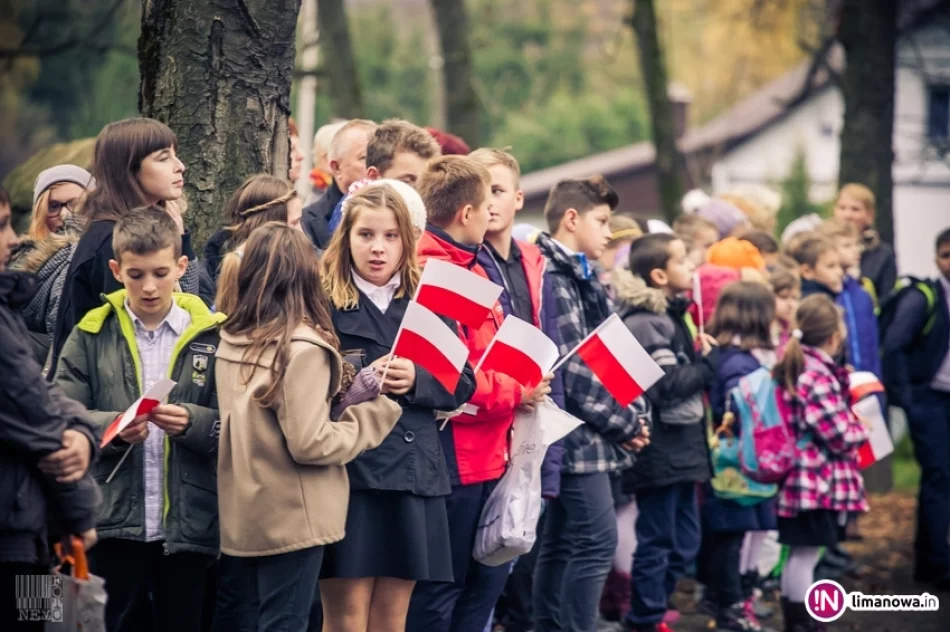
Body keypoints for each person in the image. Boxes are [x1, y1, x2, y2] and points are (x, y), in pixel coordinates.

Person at [215, 222, 402, 632]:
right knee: (286, 623)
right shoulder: (303, 349)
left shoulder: (230, 339)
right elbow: (311, 442)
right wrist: (374, 415)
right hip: (295, 515)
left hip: (243, 510)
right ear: (306, 276)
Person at [51, 207, 222, 632]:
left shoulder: (212, 335)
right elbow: (58, 414)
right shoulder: (92, 332)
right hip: (111, 520)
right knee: (97, 623)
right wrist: (113, 426)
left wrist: (194, 422)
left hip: (189, 524)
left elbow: (238, 422)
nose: (149, 287)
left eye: (161, 273)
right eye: (136, 274)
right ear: (116, 269)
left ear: (182, 266)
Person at [318, 184, 475, 632]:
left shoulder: (427, 299)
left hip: (413, 472)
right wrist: (362, 377)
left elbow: (463, 382)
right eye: (366, 234)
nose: (378, 248)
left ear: (407, 241)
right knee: (346, 616)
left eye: (390, 236)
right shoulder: (322, 300)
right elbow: (303, 383)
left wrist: (417, 381)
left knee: (392, 616)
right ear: (346, 236)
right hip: (350, 471)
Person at [407, 156, 552, 632]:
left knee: (477, 589)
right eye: (486, 197)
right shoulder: (438, 269)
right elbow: (454, 378)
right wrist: (520, 388)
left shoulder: (464, 264)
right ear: (466, 212)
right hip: (460, 454)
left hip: (486, 449)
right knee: (445, 591)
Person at [531, 176, 649, 632]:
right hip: (578, 435)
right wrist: (625, 424)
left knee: (563, 543)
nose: (608, 232)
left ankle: (553, 625)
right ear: (571, 218)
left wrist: (635, 415)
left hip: (590, 430)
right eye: (601, 221)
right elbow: (574, 369)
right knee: (596, 541)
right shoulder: (556, 276)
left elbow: (608, 354)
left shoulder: (580, 273)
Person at [468, 148, 567, 632]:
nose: (489, 202)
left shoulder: (532, 260)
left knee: (513, 554)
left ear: (518, 199)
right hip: (484, 419)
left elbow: (550, 346)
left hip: (528, 425)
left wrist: (551, 461)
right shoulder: (468, 261)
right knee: (476, 565)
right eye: (480, 191)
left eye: (499, 191)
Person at [1, 199, 101, 632]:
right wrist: (81, 514)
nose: (14, 239)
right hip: (15, 541)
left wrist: (80, 431)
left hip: (31, 528)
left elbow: (45, 394)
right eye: (3, 226)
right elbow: (39, 419)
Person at [614, 233, 717, 632]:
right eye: (682, 261)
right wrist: (711, 365)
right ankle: (645, 618)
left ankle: (652, 608)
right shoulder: (646, 322)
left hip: (685, 449)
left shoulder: (675, 315)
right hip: (659, 449)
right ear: (659, 275)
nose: (691, 268)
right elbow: (665, 386)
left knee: (686, 541)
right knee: (657, 540)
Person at [50, 118, 200, 377]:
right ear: (129, 170)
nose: (180, 167)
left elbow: (190, 307)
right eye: (163, 158)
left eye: (176, 156)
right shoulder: (109, 241)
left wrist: (180, 239)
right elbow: (130, 343)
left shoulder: (150, 231)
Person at [773, 294, 868, 631]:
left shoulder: (799, 366)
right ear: (834, 337)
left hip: (801, 482)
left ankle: (795, 617)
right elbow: (838, 433)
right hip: (813, 484)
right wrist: (861, 428)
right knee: (805, 555)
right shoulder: (816, 375)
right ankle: (803, 623)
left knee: (798, 554)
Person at [698, 281, 779, 632]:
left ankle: (729, 600)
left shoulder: (722, 356)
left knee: (730, 536)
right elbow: (737, 414)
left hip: (726, 463)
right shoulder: (740, 365)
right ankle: (731, 605)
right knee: (731, 537)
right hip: (736, 465)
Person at [881, 227, 950, 589]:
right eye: (945, 255)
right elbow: (894, 347)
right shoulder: (925, 298)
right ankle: (935, 564)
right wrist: (909, 400)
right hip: (930, 400)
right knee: (939, 476)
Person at [9, 166, 93, 364]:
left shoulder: (108, 251)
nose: (64, 215)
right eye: (54, 206)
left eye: (74, 204)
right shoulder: (17, 258)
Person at [199, 175, 302, 305]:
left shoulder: (305, 268)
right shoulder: (208, 280)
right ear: (269, 226)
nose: (301, 232)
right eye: (294, 223)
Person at [819, 219, 882, 379]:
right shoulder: (823, 295)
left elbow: (873, 347)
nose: (856, 250)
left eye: (856, 244)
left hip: (867, 383)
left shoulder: (862, 294)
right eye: (847, 246)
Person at [303, 119, 377, 249]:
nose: (375, 167)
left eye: (381, 158)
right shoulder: (309, 222)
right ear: (336, 167)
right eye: (365, 158)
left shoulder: (400, 212)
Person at [833, 183, 897, 303]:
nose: (847, 215)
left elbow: (886, 299)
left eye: (855, 209)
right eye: (842, 208)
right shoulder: (821, 246)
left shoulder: (882, 254)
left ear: (870, 215)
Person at [769, 263, 801, 355]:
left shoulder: (794, 329)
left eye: (795, 298)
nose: (791, 304)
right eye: (783, 297)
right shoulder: (765, 330)